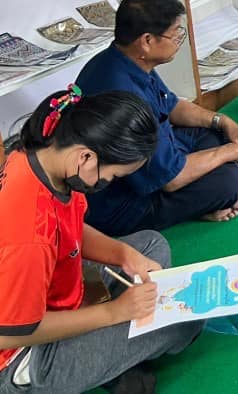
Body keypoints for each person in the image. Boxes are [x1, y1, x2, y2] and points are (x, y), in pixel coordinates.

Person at [0, 89, 203, 394]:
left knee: (150, 246)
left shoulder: (42, 157)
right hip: (24, 353)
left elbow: (69, 229)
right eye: (114, 175)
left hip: (55, 292)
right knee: (184, 322)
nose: (109, 182)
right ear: (85, 156)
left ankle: (111, 355)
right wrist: (115, 313)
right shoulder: (29, 235)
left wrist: (124, 255)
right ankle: (110, 357)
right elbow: (11, 333)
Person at [76, 0, 238, 235]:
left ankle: (206, 197)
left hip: (160, 157)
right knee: (236, 180)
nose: (179, 40)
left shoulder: (123, 60)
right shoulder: (122, 92)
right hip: (124, 202)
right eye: (176, 34)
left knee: (217, 134)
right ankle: (201, 204)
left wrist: (222, 120)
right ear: (147, 41)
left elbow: (171, 105)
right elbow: (171, 179)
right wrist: (230, 152)